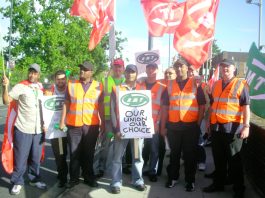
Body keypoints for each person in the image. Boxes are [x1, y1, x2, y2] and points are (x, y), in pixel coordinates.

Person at [203, 58, 250, 198]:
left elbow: (246, 107)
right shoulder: (217, 84)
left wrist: (246, 126)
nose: (225, 69)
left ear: (234, 68)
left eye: (228, 67)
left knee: (234, 161)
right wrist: (208, 122)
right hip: (217, 128)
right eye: (223, 67)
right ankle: (218, 184)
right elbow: (213, 104)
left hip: (233, 130)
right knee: (219, 159)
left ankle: (239, 189)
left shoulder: (241, 84)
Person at [161, 58, 206, 192]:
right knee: (174, 155)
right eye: (177, 67)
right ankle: (173, 178)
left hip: (190, 127)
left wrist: (197, 125)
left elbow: (202, 106)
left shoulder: (196, 84)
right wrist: (162, 126)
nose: (179, 69)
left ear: (187, 68)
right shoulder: (169, 85)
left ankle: (190, 180)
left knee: (189, 155)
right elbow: (164, 108)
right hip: (173, 127)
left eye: (182, 66)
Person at [2, 63, 47, 195]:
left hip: (38, 131)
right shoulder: (20, 86)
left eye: (35, 73)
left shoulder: (40, 88)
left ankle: (34, 179)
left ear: (39, 75)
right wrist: (4, 86)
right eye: (30, 72)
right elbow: (6, 101)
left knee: (35, 158)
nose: (32, 75)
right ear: (29, 73)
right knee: (21, 159)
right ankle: (17, 182)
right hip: (23, 129)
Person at [59, 61, 104, 188]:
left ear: (91, 72)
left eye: (85, 69)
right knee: (74, 153)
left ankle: (88, 177)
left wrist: (104, 124)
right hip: (74, 125)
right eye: (81, 69)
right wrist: (62, 121)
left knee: (89, 153)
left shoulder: (99, 86)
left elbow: (100, 106)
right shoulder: (71, 84)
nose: (81, 71)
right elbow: (66, 103)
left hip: (91, 125)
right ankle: (74, 179)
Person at [110, 64, 146, 194]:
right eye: (128, 72)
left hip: (137, 131)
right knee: (117, 157)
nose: (130, 74)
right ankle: (115, 182)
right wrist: (116, 129)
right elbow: (113, 110)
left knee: (137, 156)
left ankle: (137, 180)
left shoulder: (143, 88)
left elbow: (146, 110)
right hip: (121, 130)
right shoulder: (116, 89)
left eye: (133, 72)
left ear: (136, 74)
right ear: (125, 74)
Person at [94, 58, 125, 177]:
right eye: (115, 66)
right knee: (105, 145)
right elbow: (99, 101)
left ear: (123, 68)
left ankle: (122, 167)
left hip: (122, 120)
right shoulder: (105, 81)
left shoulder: (127, 81)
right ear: (112, 68)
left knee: (121, 144)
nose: (117, 69)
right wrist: (101, 120)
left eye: (120, 66)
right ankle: (101, 167)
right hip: (107, 119)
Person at [136, 63, 167, 182]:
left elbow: (163, 108)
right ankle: (140, 169)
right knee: (140, 148)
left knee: (154, 149)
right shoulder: (140, 85)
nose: (151, 70)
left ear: (157, 70)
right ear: (146, 70)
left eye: (153, 68)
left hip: (154, 123)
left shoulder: (162, 87)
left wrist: (158, 122)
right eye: (149, 68)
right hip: (140, 122)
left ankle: (152, 171)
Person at [44, 70, 68, 187]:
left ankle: (74, 175)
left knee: (74, 153)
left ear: (66, 79)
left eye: (63, 79)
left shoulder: (70, 89)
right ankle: (63, 177)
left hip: (71, 127)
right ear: (55, 80)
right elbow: (43, 108)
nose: (61, 81)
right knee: (60, 154)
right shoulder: (49, 91)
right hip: (55, 128)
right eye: (58, 79)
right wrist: (43, 123)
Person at [187, 65, 208, 171]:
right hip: (188, 119)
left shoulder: (203, 85)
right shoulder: (187, 84)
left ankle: (201, 161)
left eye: (192, 71)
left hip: (199, 118)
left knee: (199, 141)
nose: (190, 73)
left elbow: (207, 102)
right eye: (189, 71)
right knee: (188, 142)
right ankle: (191, 160)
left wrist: (202, 118)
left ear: (197, 71)